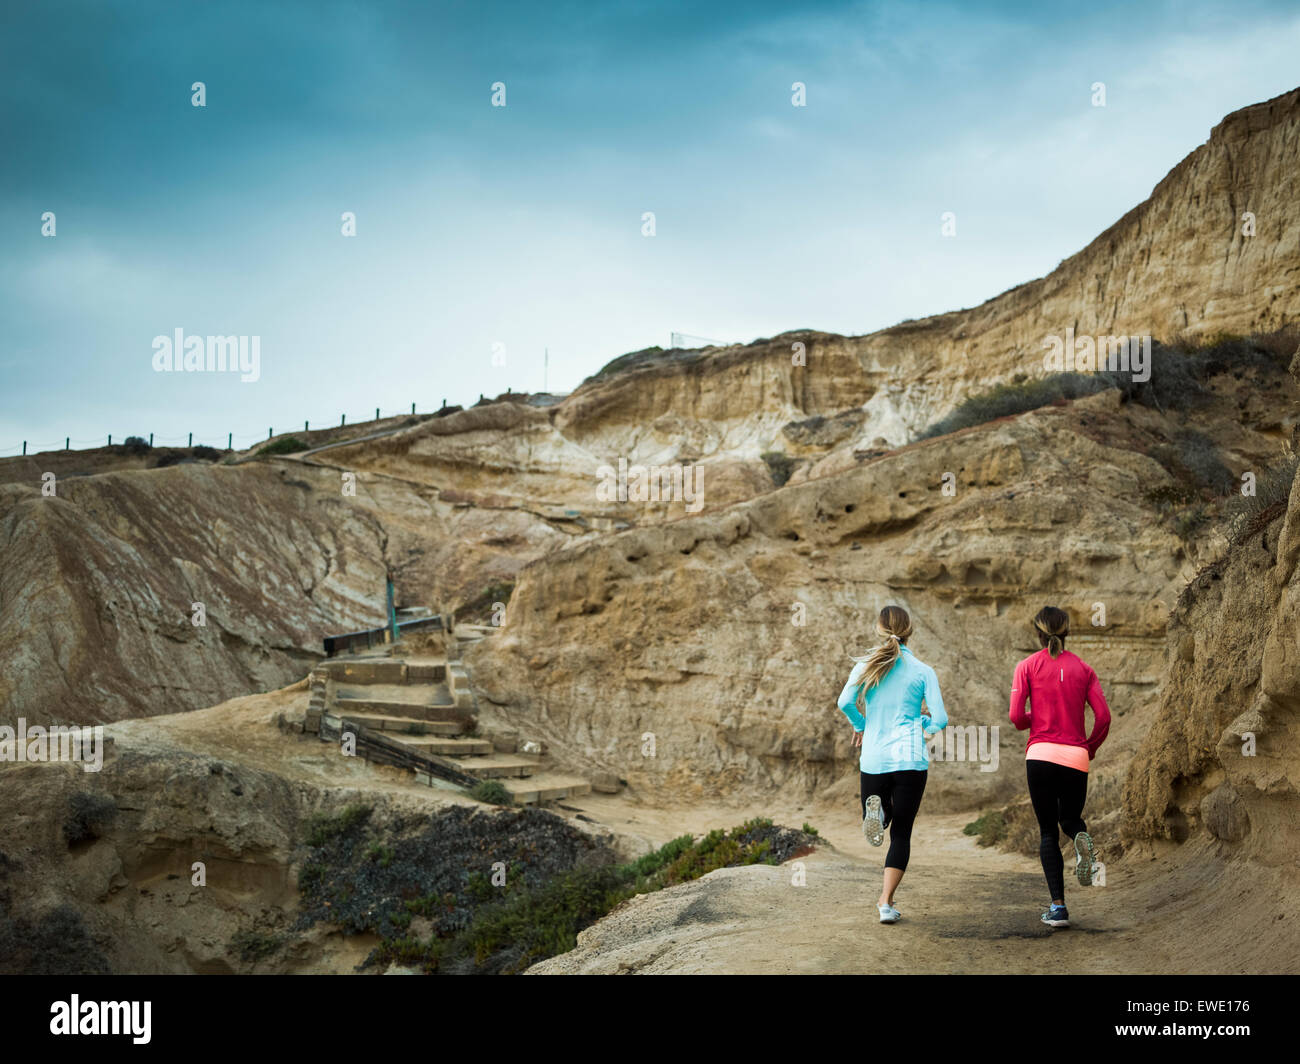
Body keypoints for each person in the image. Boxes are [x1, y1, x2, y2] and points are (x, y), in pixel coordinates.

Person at [837, 605, 948, 924]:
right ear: (910, 631)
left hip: (874, 756)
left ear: (878, 630)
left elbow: (844, 702)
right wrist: (921, 729)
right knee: (902, 833)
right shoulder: (923, 670)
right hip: (911, 758)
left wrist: (861, 725)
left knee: (878, 813)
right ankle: (886, 903)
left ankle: (878, 812)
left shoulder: (866, 666)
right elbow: (940, 718)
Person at [1009, 606, 1111, 929]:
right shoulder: (1084, 669)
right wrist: (1089, 748)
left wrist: (1033, 719)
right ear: (1067, 633)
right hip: (1075, 758)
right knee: (1069, 818)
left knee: (1047, 832)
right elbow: (1104, 717)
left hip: (1040, 755)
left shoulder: (1026, 666)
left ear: (1038, 634)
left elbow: (1015, 717)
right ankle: (1080, 836)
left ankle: (1058, 908)